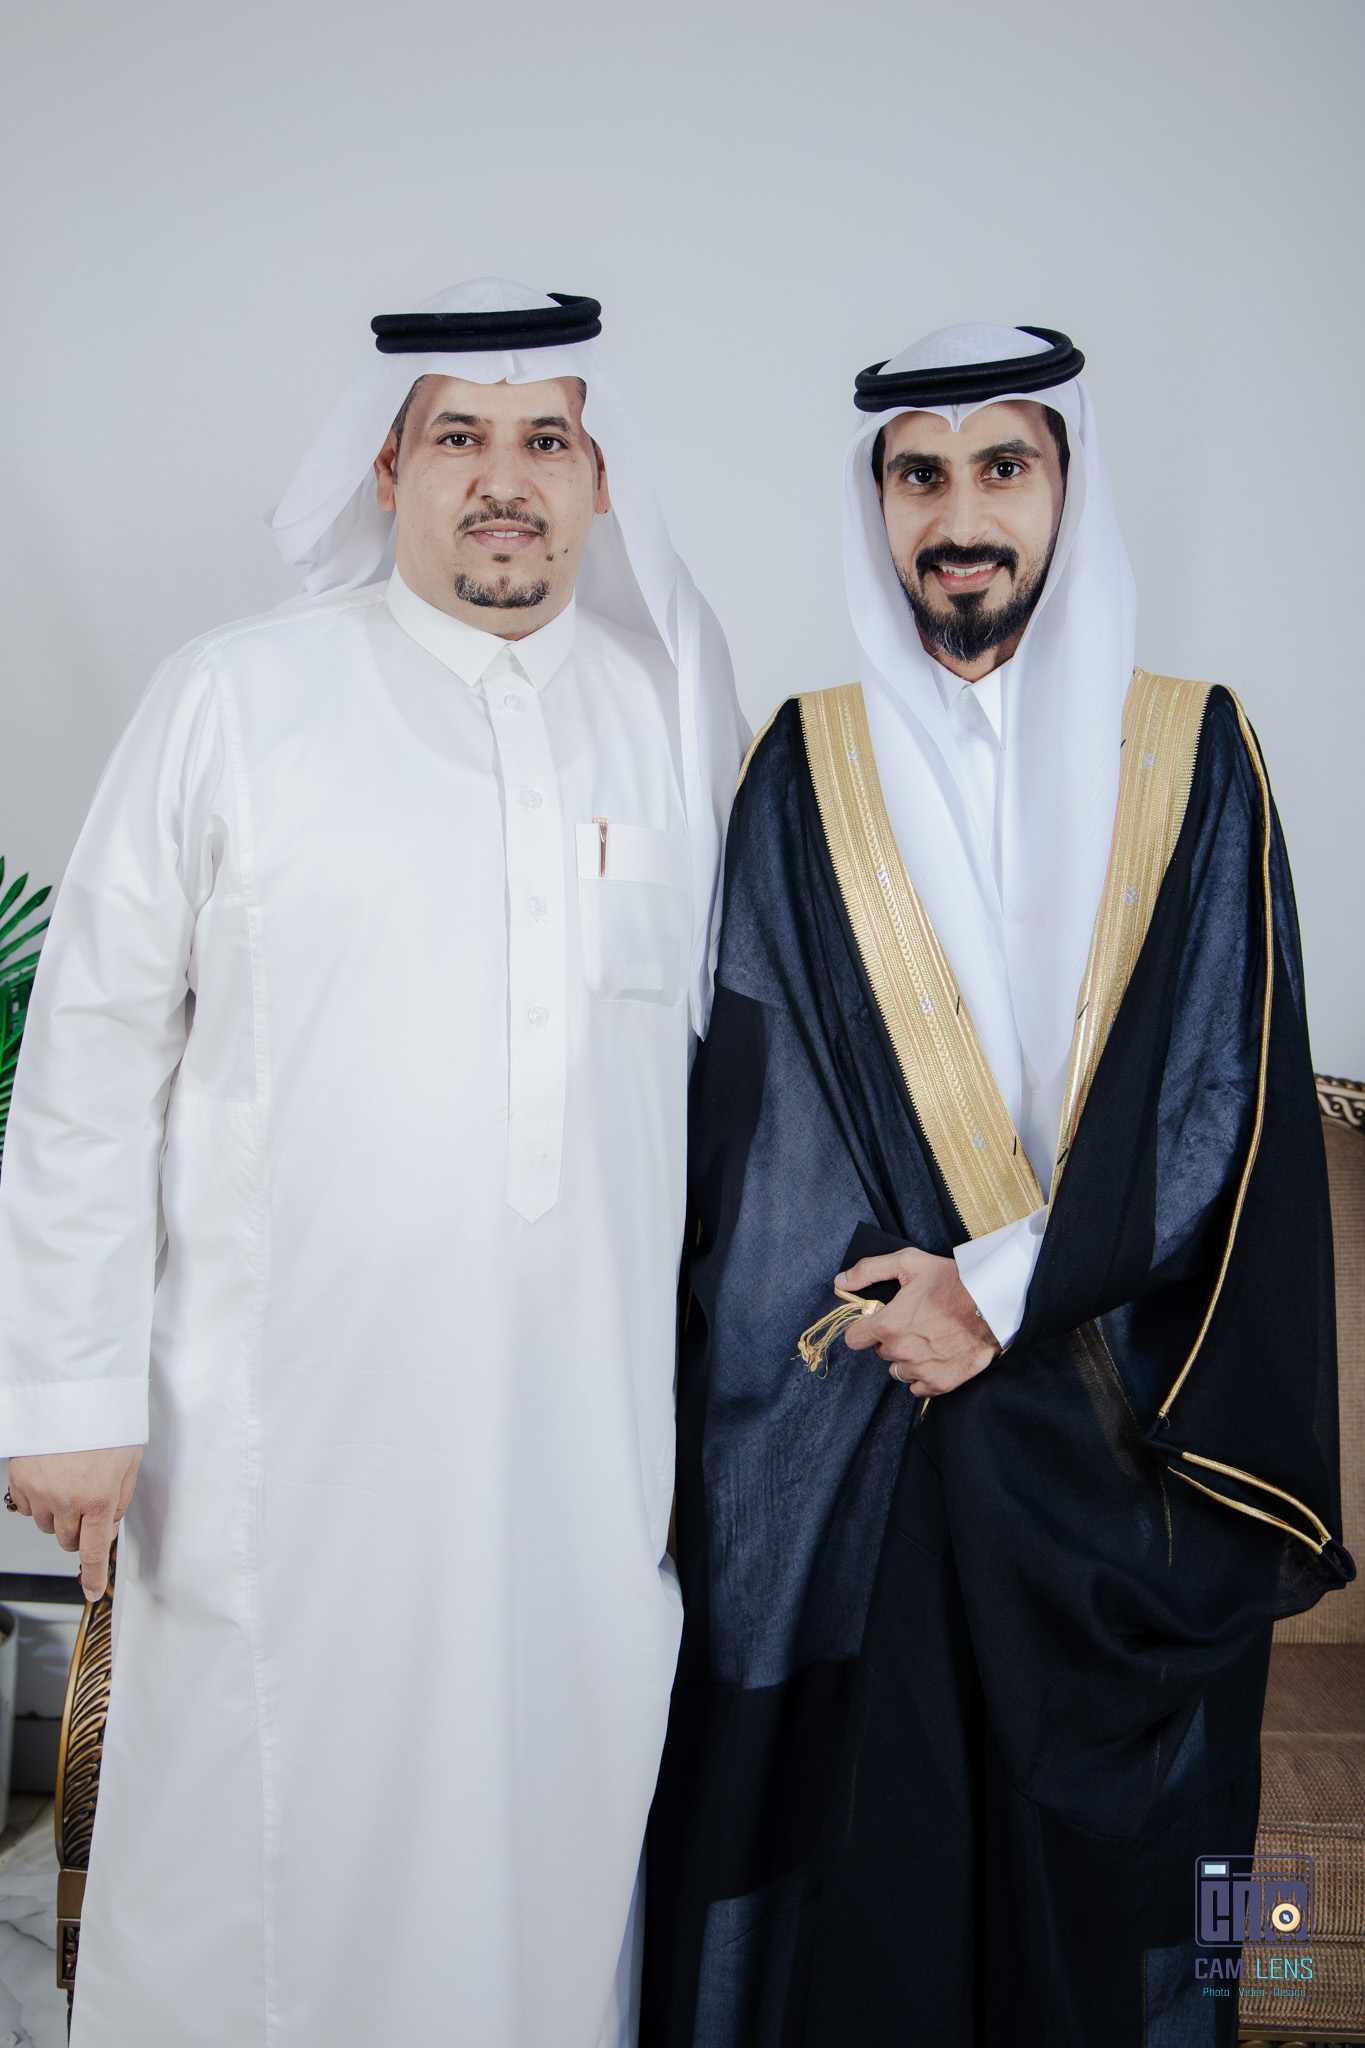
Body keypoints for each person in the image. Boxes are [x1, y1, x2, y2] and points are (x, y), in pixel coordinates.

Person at [0, 278, 747, 2048]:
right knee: (258, 1849)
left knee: (549, 1845)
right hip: (280, 1443)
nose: (506, 479)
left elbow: (736, 1096)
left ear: (599, 481)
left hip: (584, 1453)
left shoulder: (672, 722)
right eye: (460, 438)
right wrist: (70, 1391)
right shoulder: (236, 699)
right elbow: (91, 1049)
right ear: (387, 468)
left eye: (546, 441)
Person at [643, 325, 1351, 2047]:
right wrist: (895, 1319)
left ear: (1063, 485)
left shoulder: (1194, 750)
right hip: (881, 1437)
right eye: (919, 475)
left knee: (1173, 1908)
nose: (959, 517)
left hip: (1133, 1446)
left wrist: (996, 1293)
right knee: (881, 1881)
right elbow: (761, 1114)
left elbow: (1217, 1097)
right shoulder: (803, 767)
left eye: (1001, 467)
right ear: (878, 502)